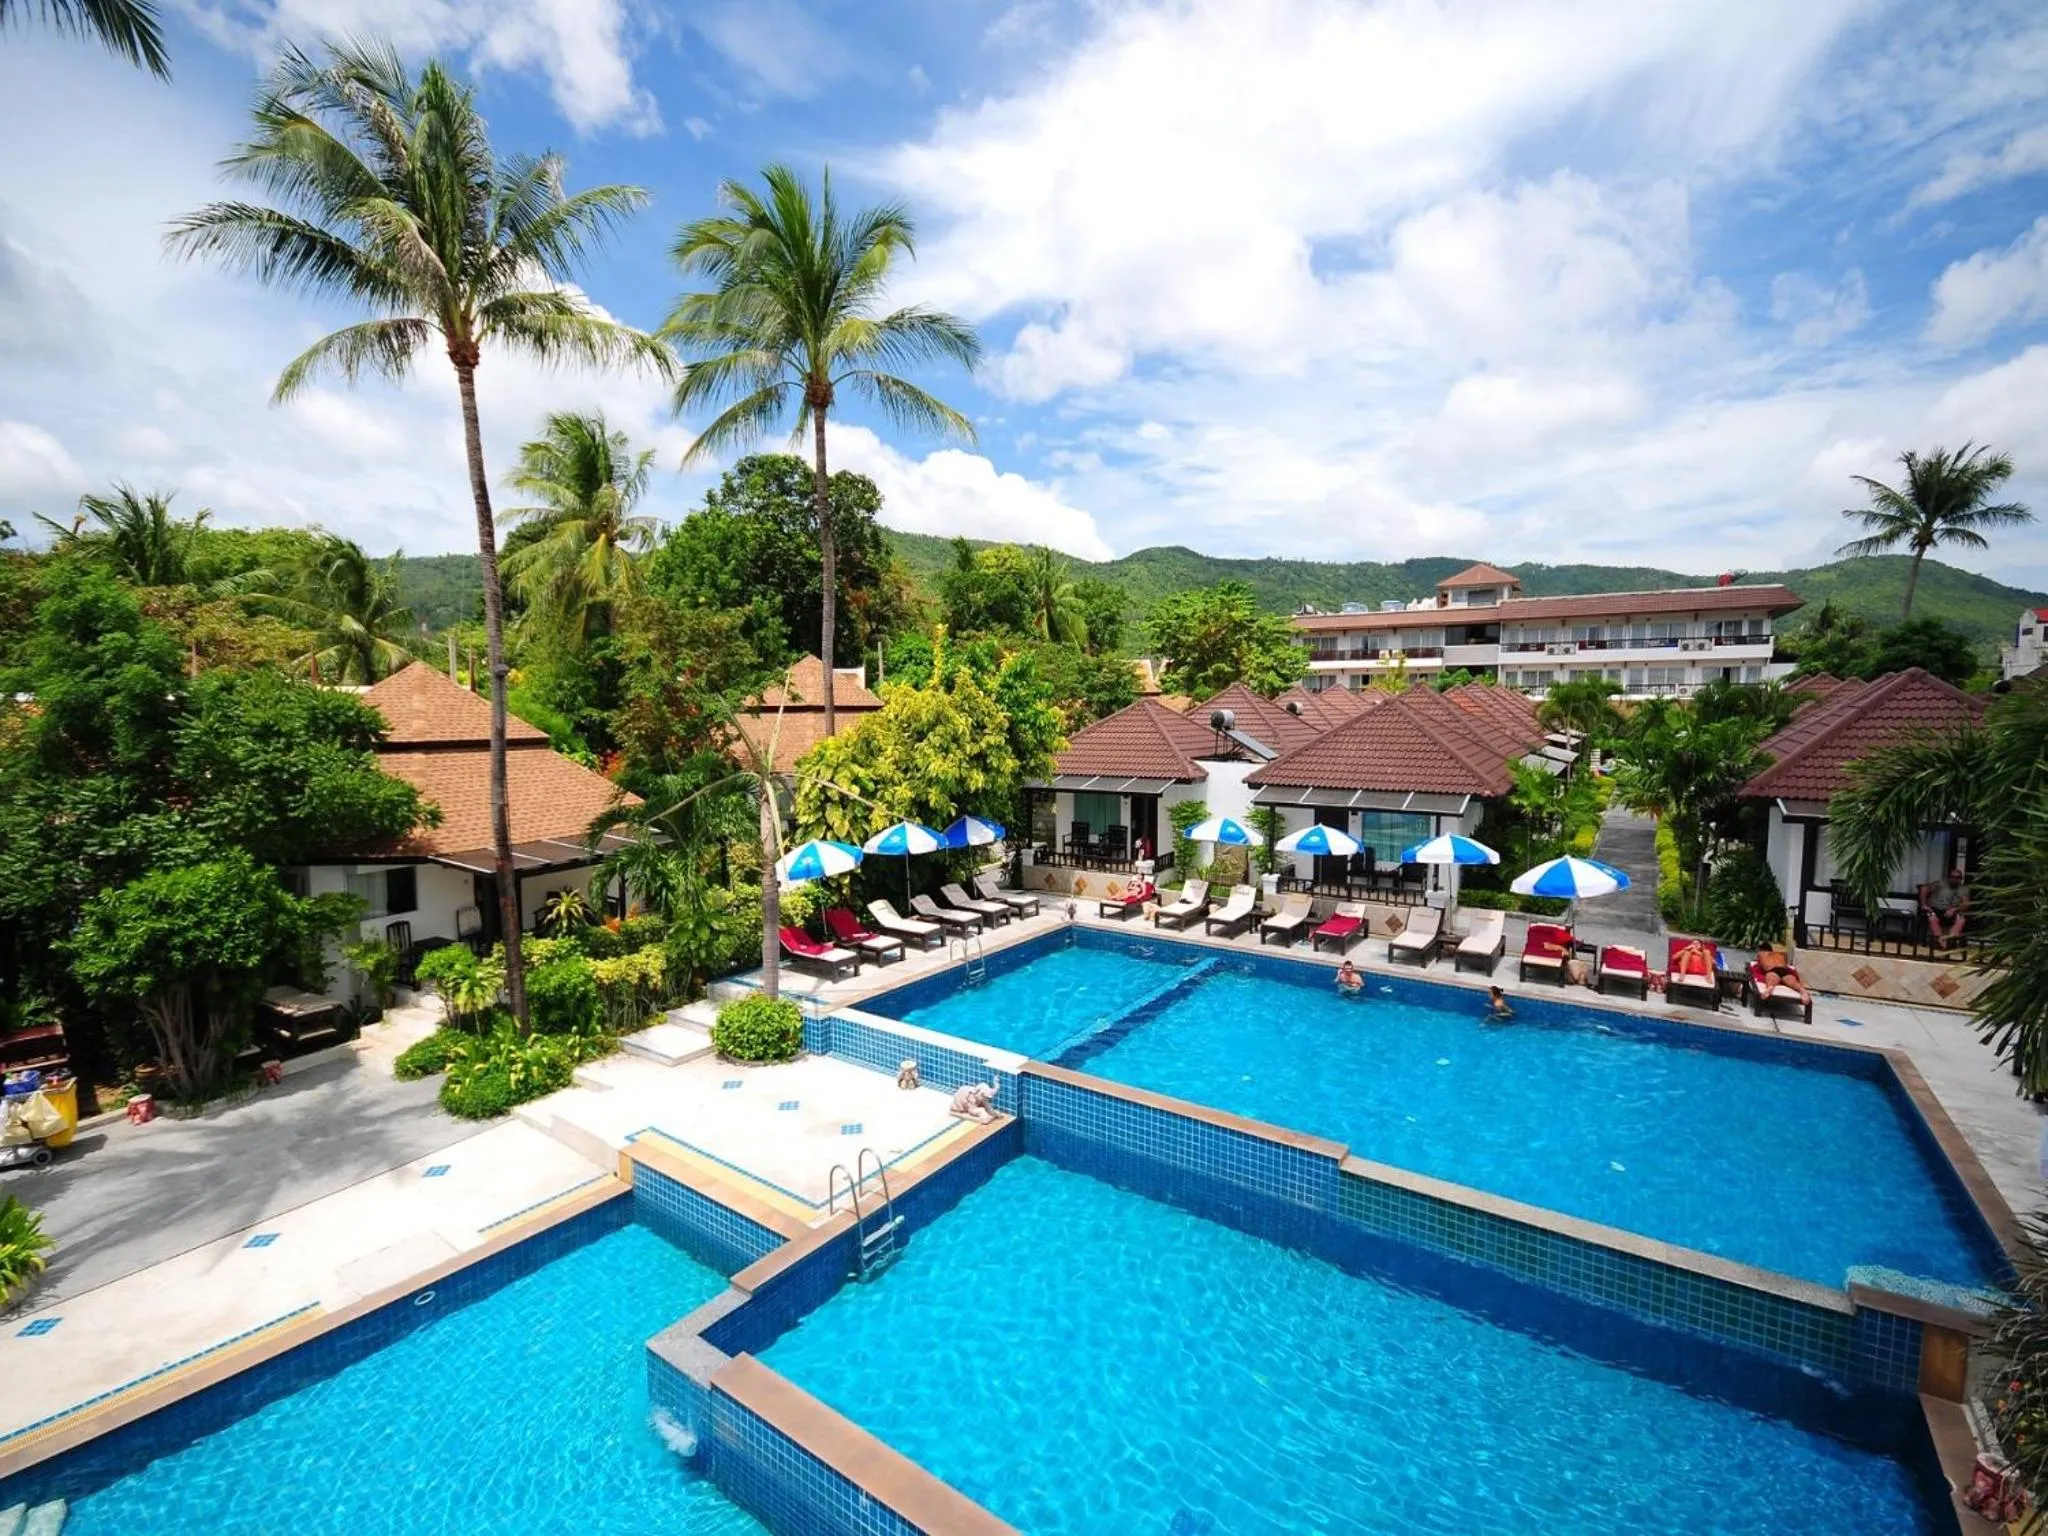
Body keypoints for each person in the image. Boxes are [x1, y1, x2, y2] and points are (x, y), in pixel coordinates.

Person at [1919, 867, 1970, 950]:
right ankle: (1941, 942)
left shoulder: (1964, 889)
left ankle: (1950, 940)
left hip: (1953, 910)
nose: (1954, 879)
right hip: (1936, 908)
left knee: (1961, 919)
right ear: (1949, 877)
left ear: (1961, 879)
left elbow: (1966, 904)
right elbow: (1923, 888)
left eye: (1957, 878)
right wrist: (1924, 904)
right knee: (1932, 918)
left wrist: (1954, 909)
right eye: (1952, 877)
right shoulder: (1940, 884)